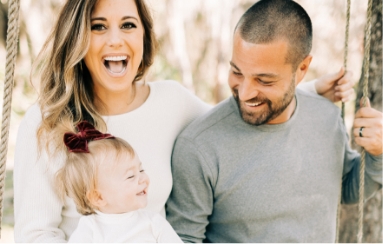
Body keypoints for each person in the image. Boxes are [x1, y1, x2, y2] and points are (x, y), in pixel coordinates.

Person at [13, 0, 355, 242]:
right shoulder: (46, 125)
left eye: (128, 25)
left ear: (144, 35)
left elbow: (234, 117)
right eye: (98, 26)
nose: (115, 39)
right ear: (78, 39)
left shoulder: (172, 101)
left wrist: (302, 88)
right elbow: (36, 235)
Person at [166, 0, 383, 243]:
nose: (245, 93)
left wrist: (378, 154)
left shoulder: (327, 116)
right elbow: (183, 239)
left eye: (264, 80)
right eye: (237, 72)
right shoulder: (199, 147)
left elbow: (347, 190)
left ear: (302, 68)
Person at [55, 121, 182, 242]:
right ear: (98, 197)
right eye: (131, 176)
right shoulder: (90, 229)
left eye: (141, 170)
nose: (143, 178)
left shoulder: (153, 223)